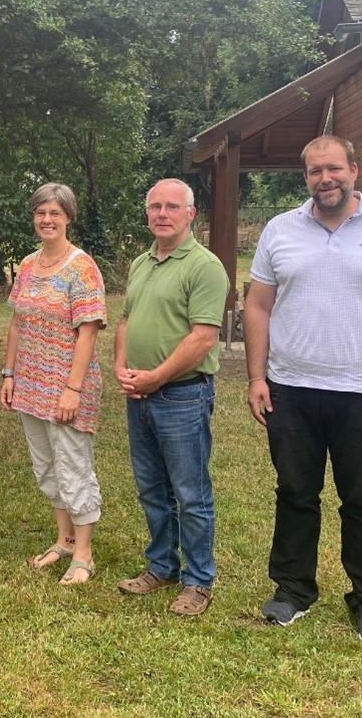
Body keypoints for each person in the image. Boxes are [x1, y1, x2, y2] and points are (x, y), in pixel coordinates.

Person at [244, 135, 362, 642]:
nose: (324, 179)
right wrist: (257, 376)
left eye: (333, 169)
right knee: (295, 494)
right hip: (292, 391)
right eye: (314, 171)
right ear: (304, 176)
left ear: (354, 169)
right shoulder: (280, 230)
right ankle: (292, 590)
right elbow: (258, 306)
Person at [114, 178, 228, 617]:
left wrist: (156, 378)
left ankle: (198, 581)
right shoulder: (143, 263)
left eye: (172, 207)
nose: (162, 214)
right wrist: (123, 366)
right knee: (151, 488)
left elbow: (202, 338)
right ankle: (161, 566)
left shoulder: (204, 267)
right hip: (139, 394)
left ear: (191, 213)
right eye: (155, 207)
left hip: (181, 396)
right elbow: (126, 320)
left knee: (191, 493)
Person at [0, 183, 106, 586]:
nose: (47, 220)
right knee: (46, 468)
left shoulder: (81, 266)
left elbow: (90, 331)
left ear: (68, 218)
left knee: (73, 466)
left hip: (67, 387)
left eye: (55, 213)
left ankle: (83, 554)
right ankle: (63, 540)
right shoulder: (27, 265)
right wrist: (9, 374)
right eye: (41, 212)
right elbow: (17, 322)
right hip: (29, 384)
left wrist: (72, 389)